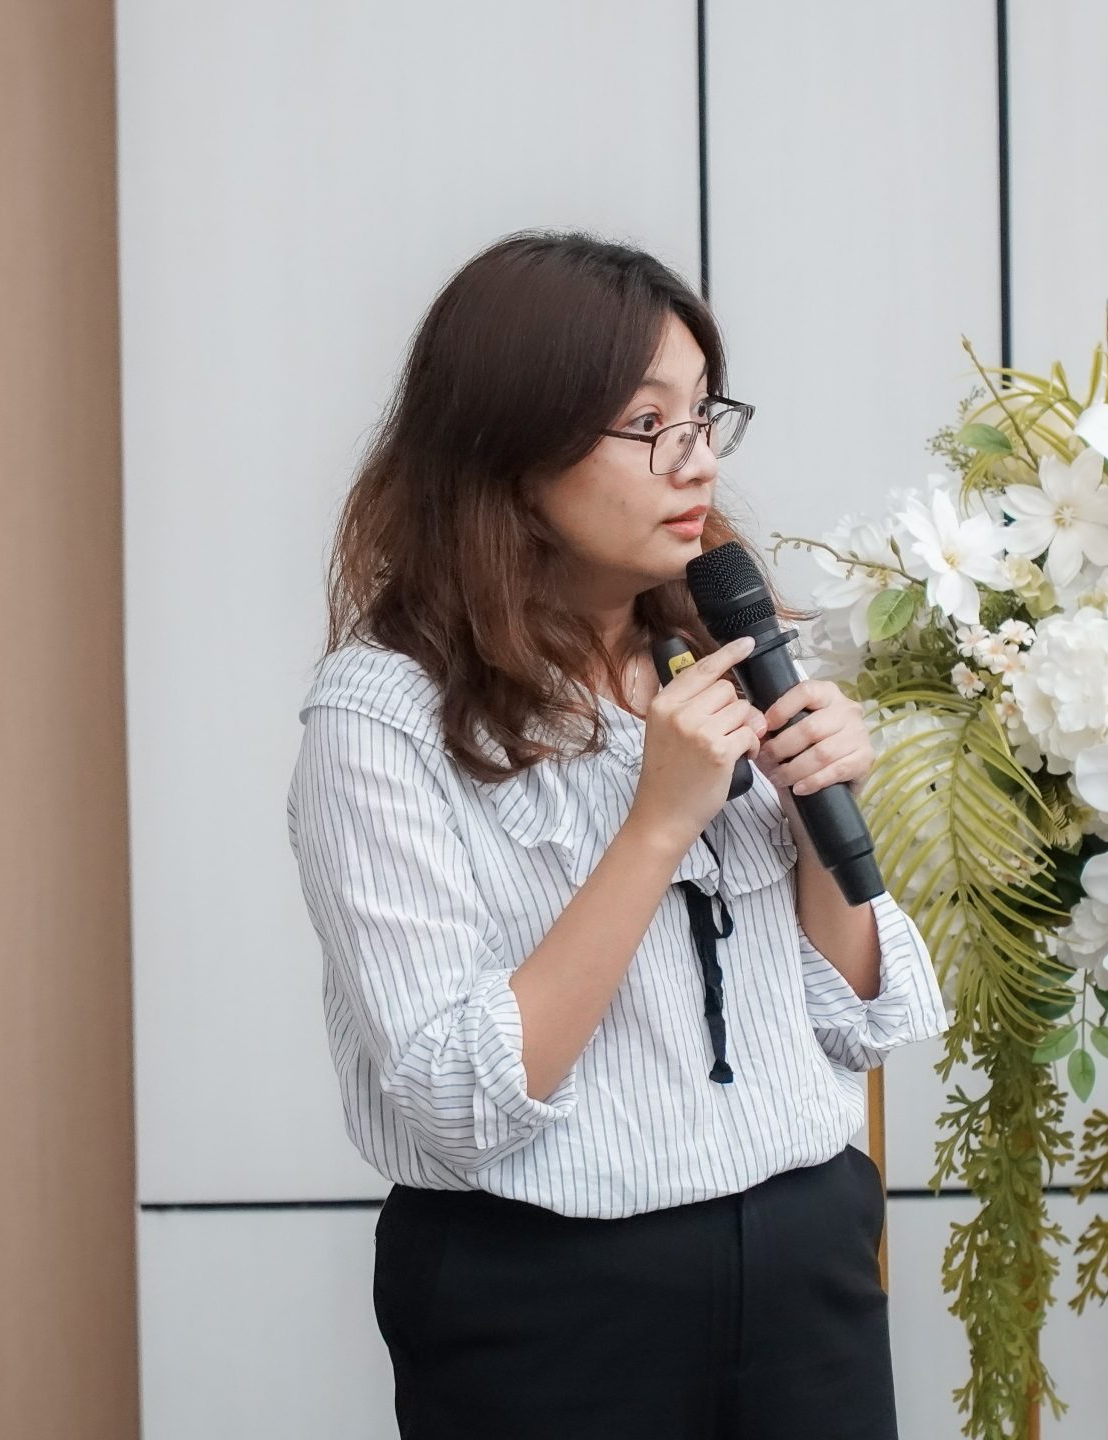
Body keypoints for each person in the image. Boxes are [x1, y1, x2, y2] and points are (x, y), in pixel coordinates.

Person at [286, 229, 949, 1440]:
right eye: (648, 424)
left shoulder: (720, 642)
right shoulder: (380, 717)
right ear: (511, 448)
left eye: (702, 415)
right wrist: (653, 827)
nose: (695, 460)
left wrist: (816, 814)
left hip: (806, 1260)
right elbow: (455, 1100)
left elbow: (855, 1017)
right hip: (550, 1303)